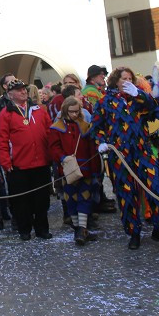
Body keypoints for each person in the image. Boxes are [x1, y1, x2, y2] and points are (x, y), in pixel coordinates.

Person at [95, 68, 159, 250]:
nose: (128, 81)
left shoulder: (138, 99)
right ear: (116, 81)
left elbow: (156, 110)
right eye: (124, 78)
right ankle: (134, 233)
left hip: (142, 151)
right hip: (121, 155)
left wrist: (140, 94)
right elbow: (97, 125)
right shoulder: (105, 101)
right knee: (127, 194)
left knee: (157, 188)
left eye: (130, 78)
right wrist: (101, 142)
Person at [0, 81, 52, 241]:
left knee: (42, 199)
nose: (23, 92)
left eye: (23, 89)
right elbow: (1, 140)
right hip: (18, 165)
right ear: (10, 94)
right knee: (21, 201)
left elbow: (49, 132)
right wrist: (6, 162)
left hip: (41, 163)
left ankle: (42, 228)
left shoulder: (39, 110)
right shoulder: (5, 114)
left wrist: (51, 155)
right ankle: (24, 229)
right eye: (18, 90)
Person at [48, 96, 101, 246]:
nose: (74, 114)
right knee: (70, 198)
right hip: (68, 169)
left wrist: (95, 169)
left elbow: (92, 150)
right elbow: (53, 148)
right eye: (71, 112)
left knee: (85, 197)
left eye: (77, 111)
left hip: (85, 168)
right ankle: (78, 229)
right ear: (65, 111)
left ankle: (81, 230)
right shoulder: (57, 127)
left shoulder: (85, 126)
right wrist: (62, 157)